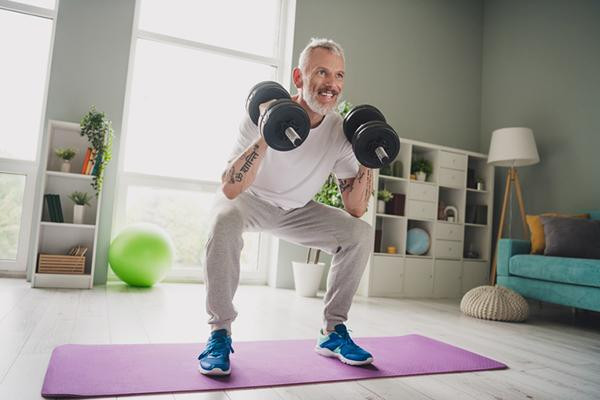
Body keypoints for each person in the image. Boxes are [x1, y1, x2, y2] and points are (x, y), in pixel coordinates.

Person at [198, 38, 375, 376]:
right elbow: (230, 187)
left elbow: (355, 209)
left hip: (298, 210)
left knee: (359, 234)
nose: (332, 84)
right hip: (249, 200)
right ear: (298, 77)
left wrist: (366, 156)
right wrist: (269, 131)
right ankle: (219, 333)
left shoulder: (339, 131)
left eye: (339, 75)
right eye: (322, 72)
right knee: (222, 220)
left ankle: (332, 333)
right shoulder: (265, 112)